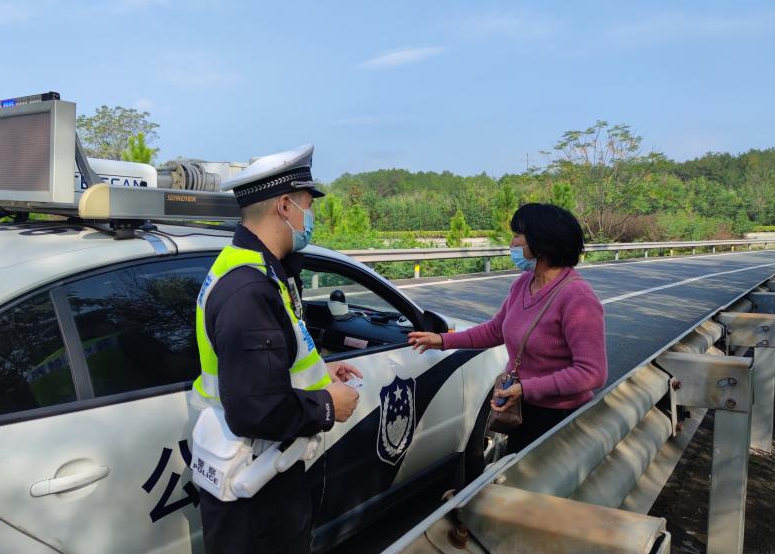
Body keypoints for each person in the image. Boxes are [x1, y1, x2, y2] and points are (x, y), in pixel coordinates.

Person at [192, 145, 362, 554]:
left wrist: (321, 376)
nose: (311, 217)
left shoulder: (250, 267)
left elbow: (269, 362)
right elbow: (256, 408)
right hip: (258, 483)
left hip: (263, 471)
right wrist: (325, 405)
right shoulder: (249, 288)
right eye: (307, 205)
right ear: (285, 207)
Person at [408, 203, 606, 454]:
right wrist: (442, 340)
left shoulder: (578, 298)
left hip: (559, 418)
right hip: (521, 408)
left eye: (517, 236)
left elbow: (592, 373)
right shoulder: (524, 283)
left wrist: (527, 388)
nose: (512, 243)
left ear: (541, 243)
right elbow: (495, 330)